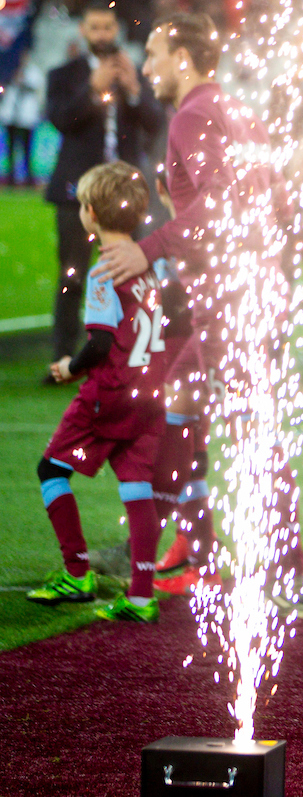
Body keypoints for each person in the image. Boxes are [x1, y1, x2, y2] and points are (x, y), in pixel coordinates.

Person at [93, 13, 303, 614]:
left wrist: (147, 247)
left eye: (154, 54)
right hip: (249, 290)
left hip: (230, 299)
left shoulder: (191, 113)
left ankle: (289, 575)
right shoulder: (239, 111)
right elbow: (274, 201)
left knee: (253, 432)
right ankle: (187, 545)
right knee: (179, 404)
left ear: (183, 59)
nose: (146, 67)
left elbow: (217, 205)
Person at [27, 161, 180, 623]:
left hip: (109, 393)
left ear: (90, 214)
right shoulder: (155, 263)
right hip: (152, 394)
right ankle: (139, 597)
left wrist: (68, 369)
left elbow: (99, 342)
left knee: (50, 469)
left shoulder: (104, 271)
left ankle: (76, 573)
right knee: (136, 489)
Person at [44, 0, 163, 369]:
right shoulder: (64, 74)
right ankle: (65, 356)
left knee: (131, 270)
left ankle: (130, 353)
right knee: (72, 273)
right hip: (77, 194)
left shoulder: (133, 71)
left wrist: (133, 91)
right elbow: (62, 121)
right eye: (94, 28)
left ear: (117, 29)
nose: (101, 35)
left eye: (108, 28)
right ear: (83, 30)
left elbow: (156, 123)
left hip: (127, 193)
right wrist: (92, 91)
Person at [0, 51, 45, 185]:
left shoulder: (33, 72)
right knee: (11, 148)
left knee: (27, 149)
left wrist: (22, 81)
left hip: (27, 118)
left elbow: (36, 86)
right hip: (11, 116)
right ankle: (11, 176)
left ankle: (29, 177)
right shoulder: (11, 69)